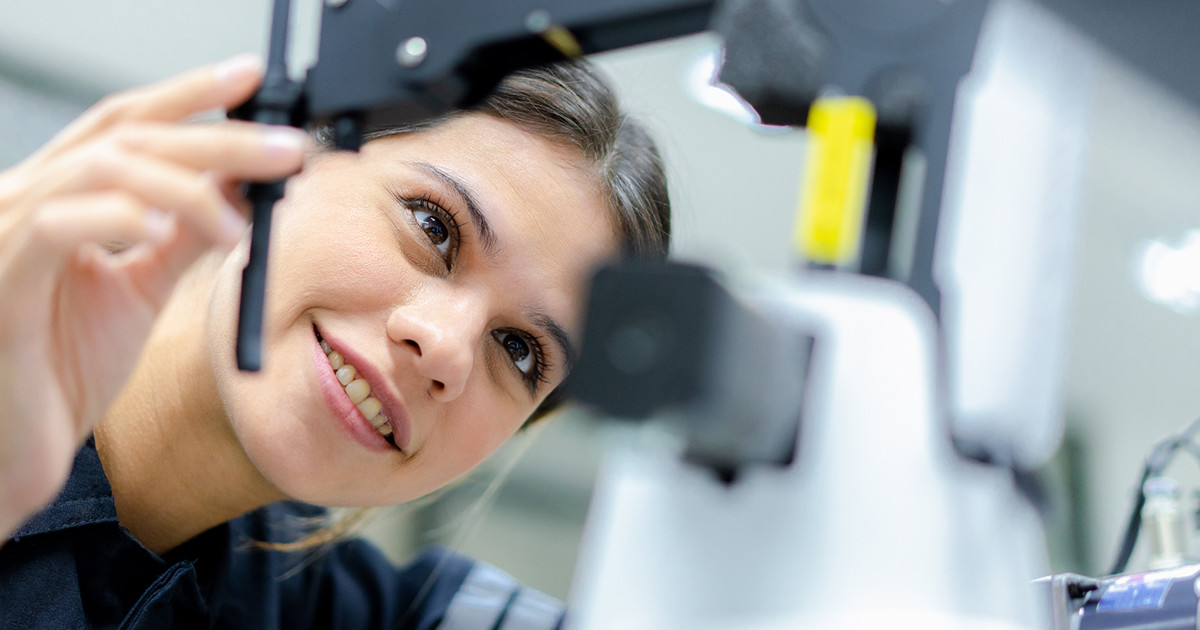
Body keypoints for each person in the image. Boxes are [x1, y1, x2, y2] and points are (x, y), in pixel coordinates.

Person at [0, 52, 670, 628]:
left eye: (520, 350)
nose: (445, 348)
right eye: (434, 226)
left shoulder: (341, 609)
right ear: (275, 152)